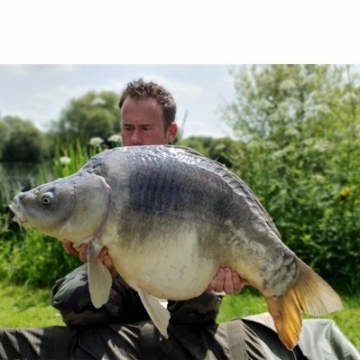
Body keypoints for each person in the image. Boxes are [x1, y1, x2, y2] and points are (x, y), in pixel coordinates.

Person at [0, 79, 359, 359]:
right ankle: (132, 337)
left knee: (200, 306)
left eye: (145, 128)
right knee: (74, 300)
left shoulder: (190, 173)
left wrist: (233, 272)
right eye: (127, 128)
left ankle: (277, 283)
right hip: (124, 271)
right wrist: (92, 254)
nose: (134, 139)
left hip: (183, 274)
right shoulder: (102, 176)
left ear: (171, 133)